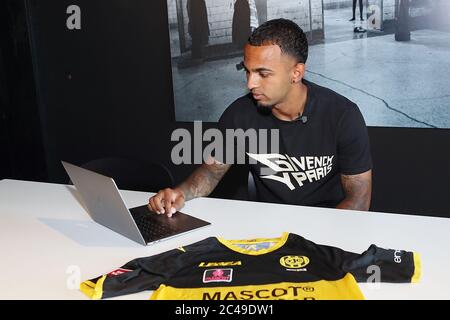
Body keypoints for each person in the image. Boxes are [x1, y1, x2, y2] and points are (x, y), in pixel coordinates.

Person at [149, 18, 372, 217]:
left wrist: (313, 238)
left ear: (296, 72)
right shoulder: (240, 115)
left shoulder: (342, 115)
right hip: (268, 229)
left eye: (263, 74)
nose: (250, 84)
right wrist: (180, 193)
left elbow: (358, 202)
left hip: (327, 227)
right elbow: (210, 172)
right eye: (247, 71)